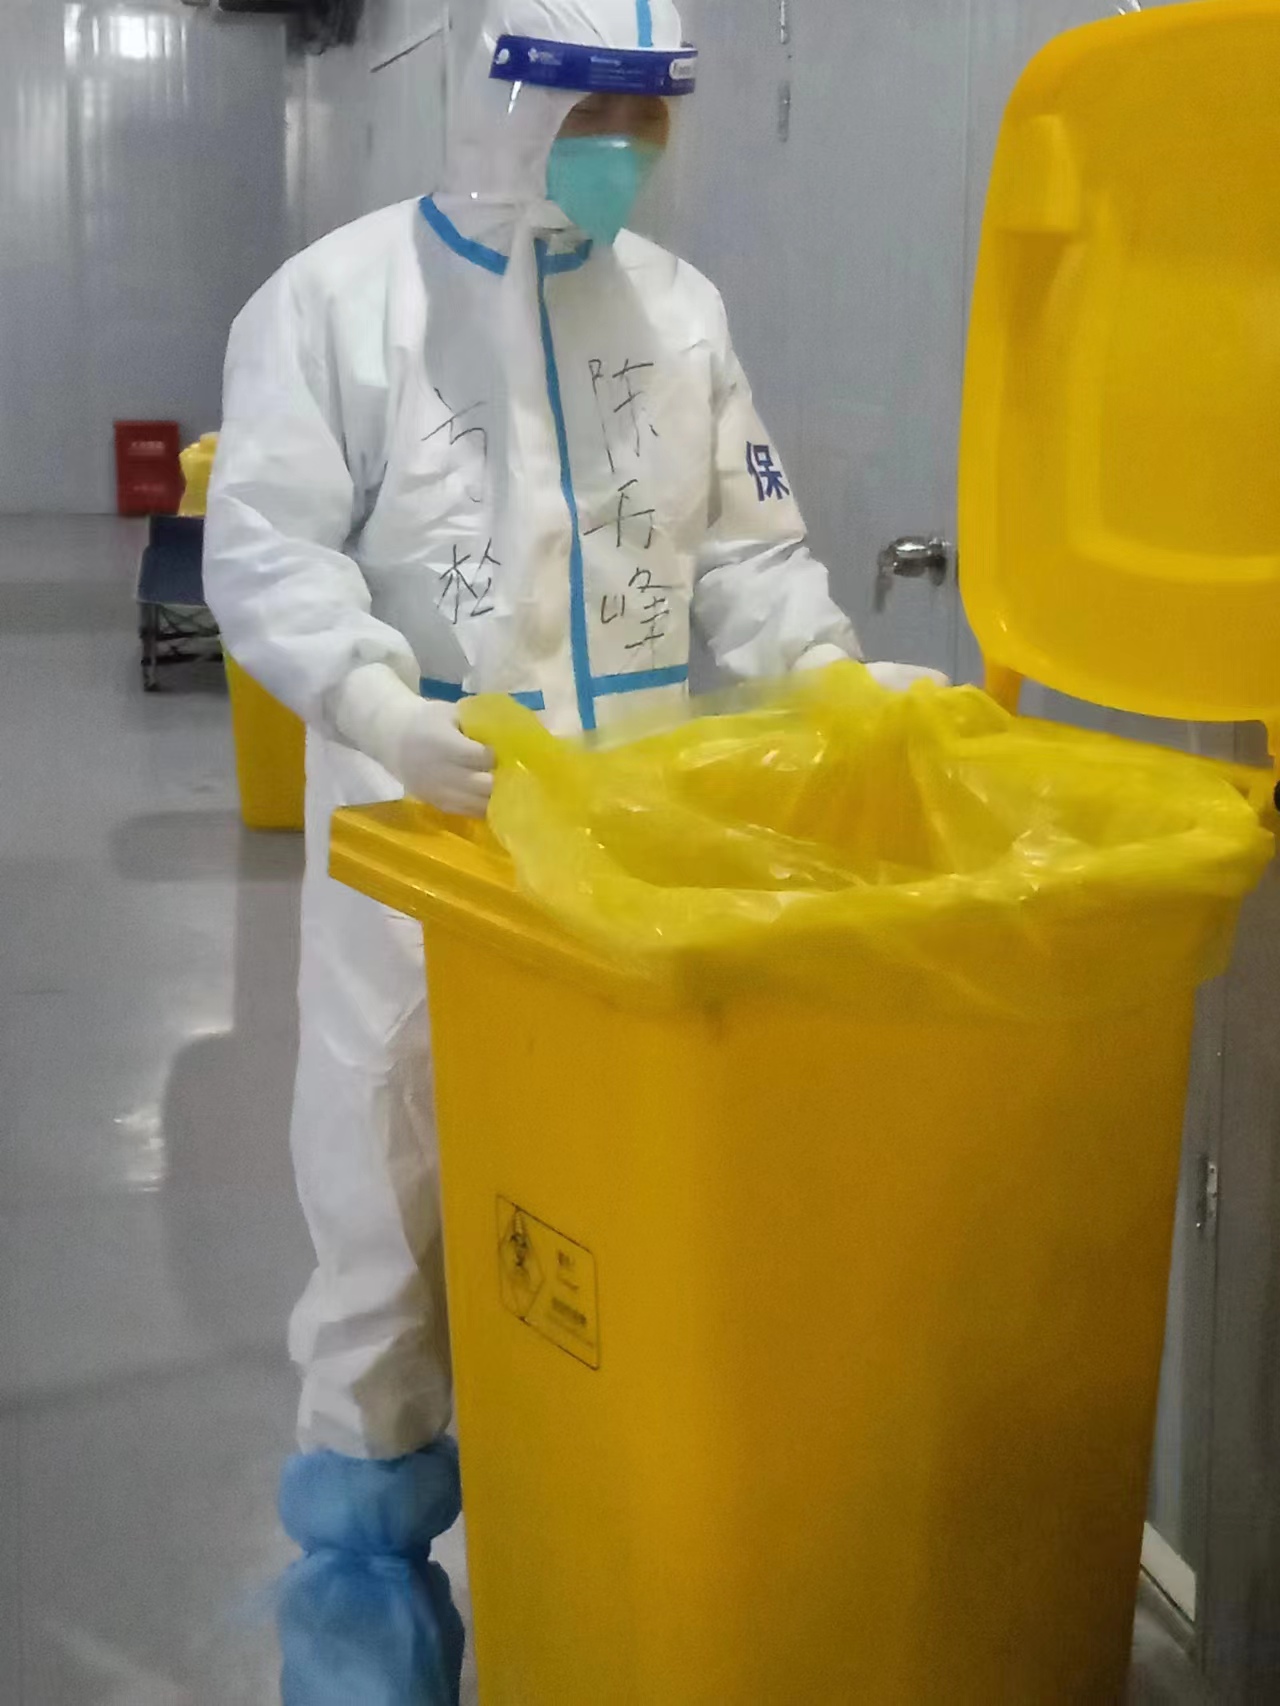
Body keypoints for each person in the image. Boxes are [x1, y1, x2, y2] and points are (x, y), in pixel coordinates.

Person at [206, 1, 932, 1697]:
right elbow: (272, 555)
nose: (624, 150)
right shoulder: (336, 305)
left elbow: (747, 552)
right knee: (387, 1222)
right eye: (590, 111)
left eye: (650, 115)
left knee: (614, 1241)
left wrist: (826, 671)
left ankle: (607, 1565)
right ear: (497, 101)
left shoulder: (680, 313)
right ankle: (365, 1614)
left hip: (630, 877)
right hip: (421, 854)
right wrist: (383, 711)